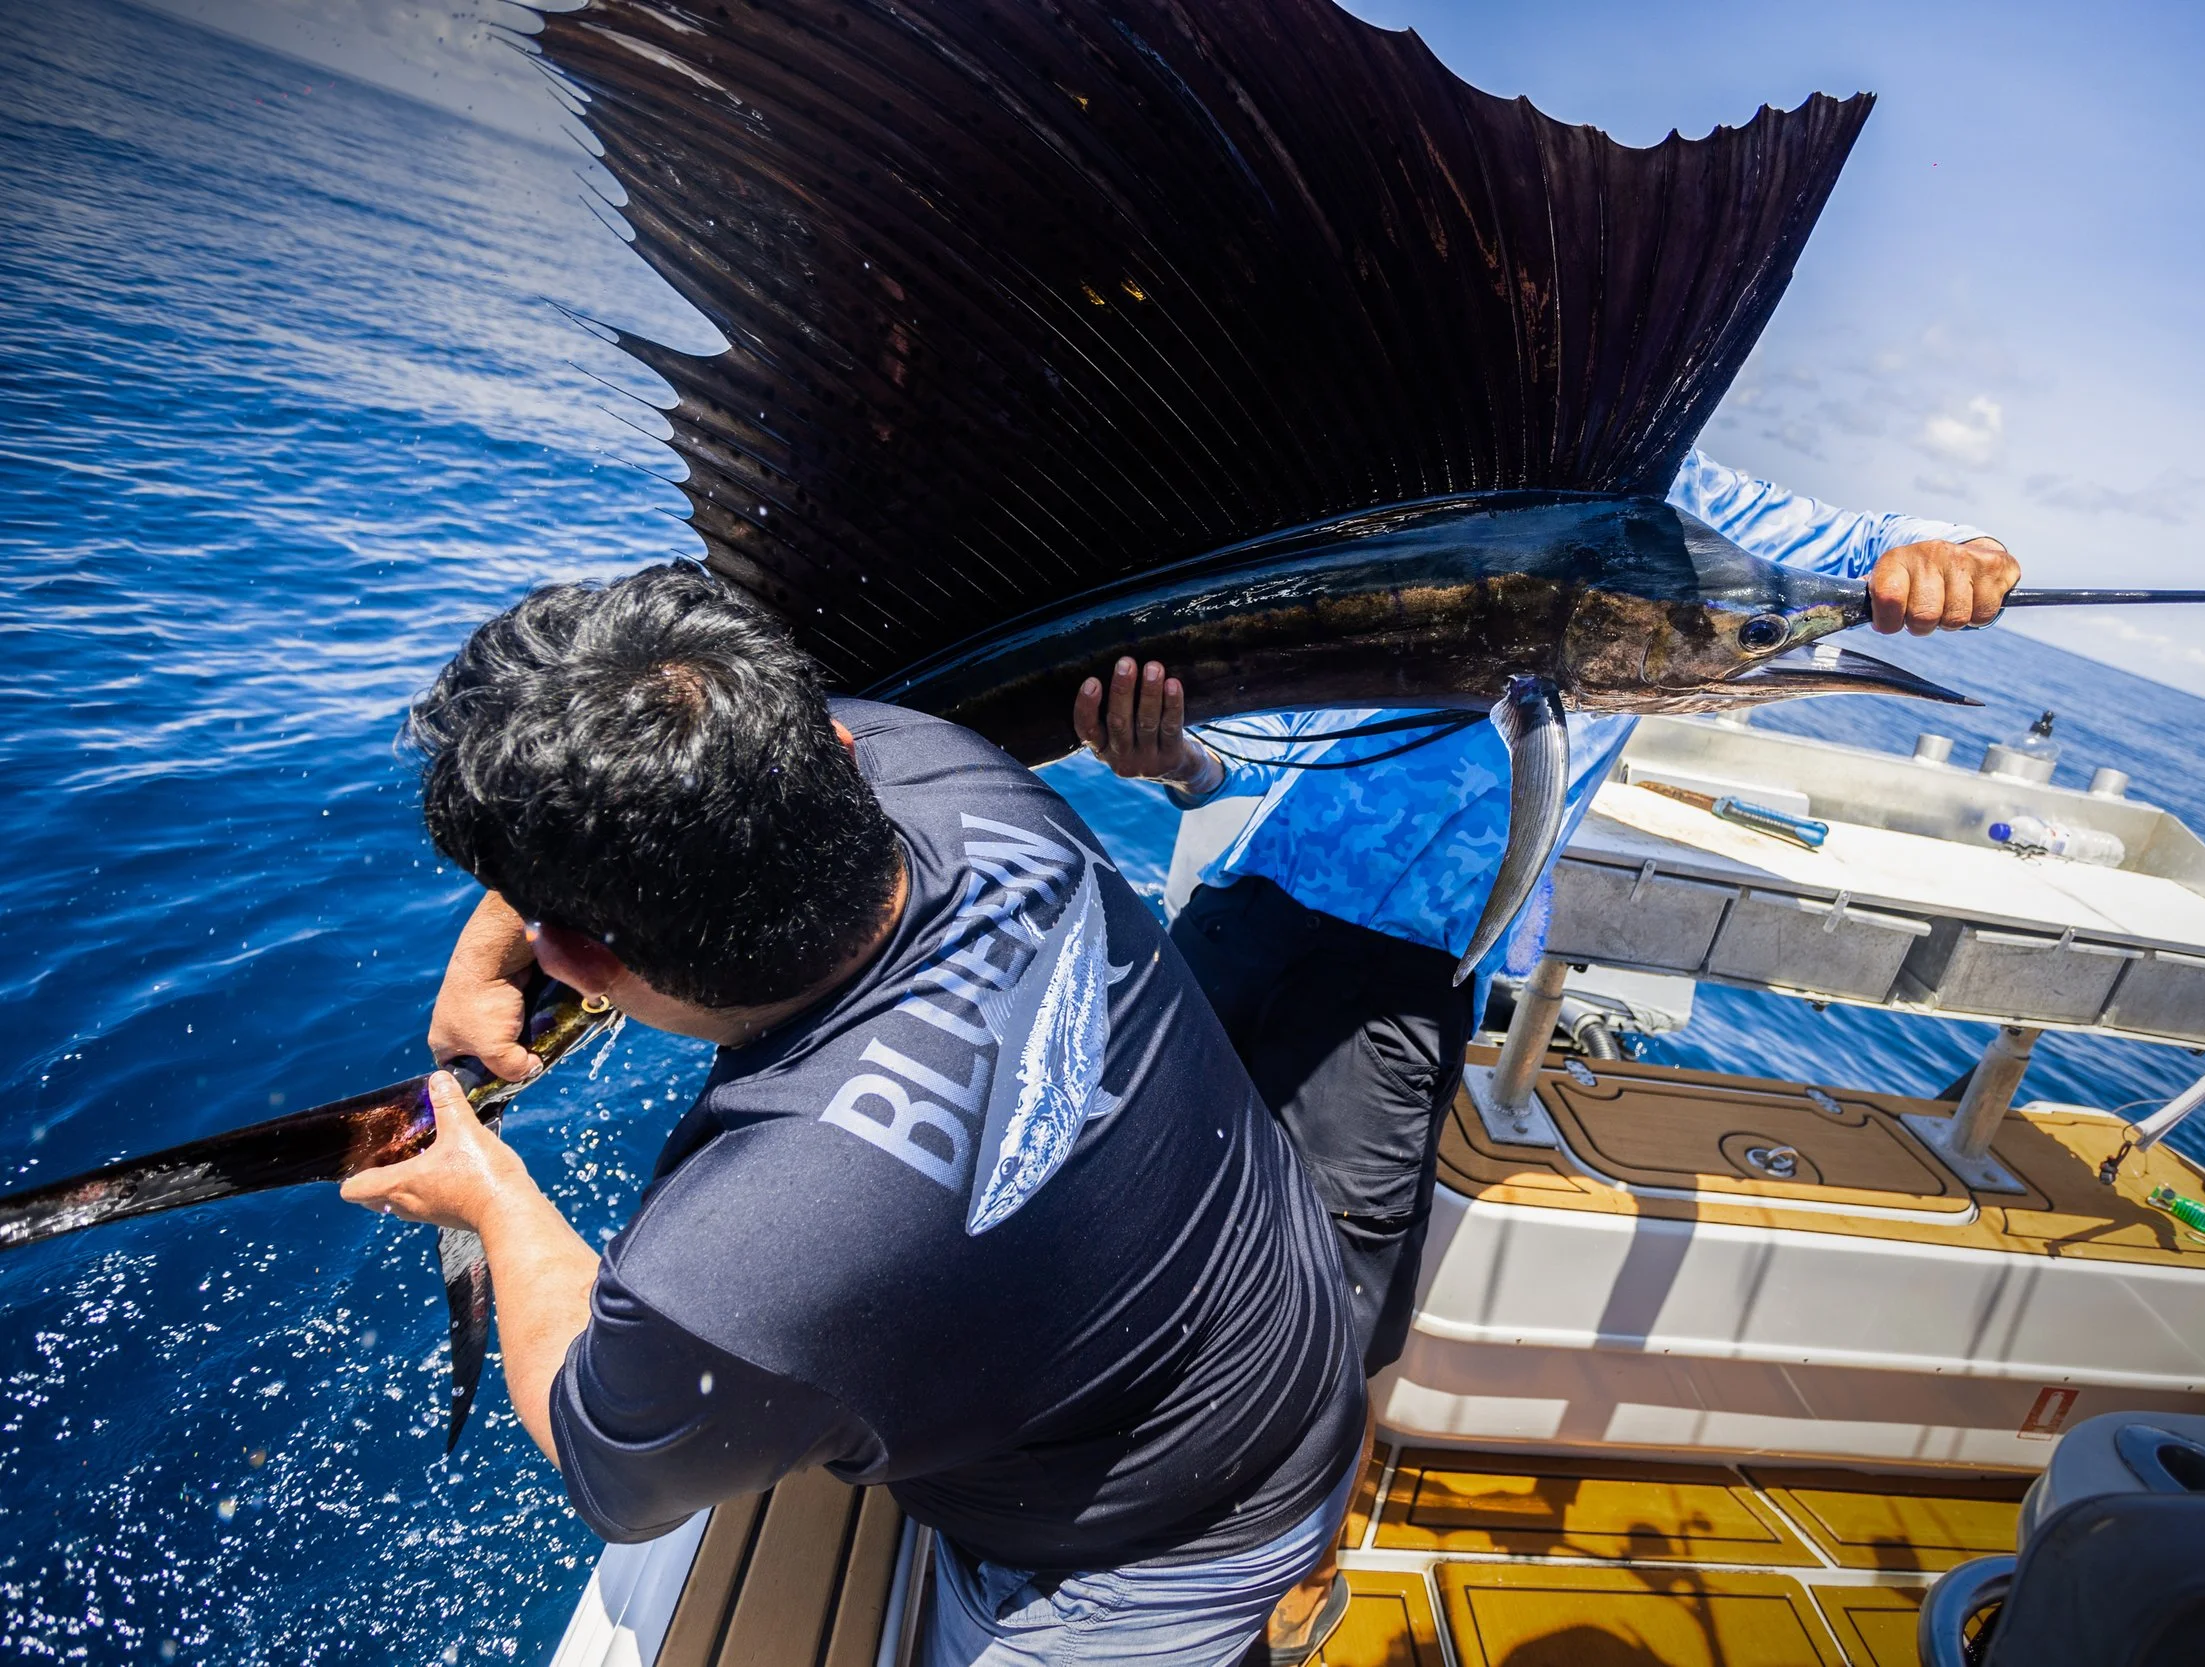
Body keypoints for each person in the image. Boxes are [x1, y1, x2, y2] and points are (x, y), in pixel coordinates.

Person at [1071, 449, 2020, 1660]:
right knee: (1135, 1197)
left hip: (1401, 969)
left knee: (1340, 1295)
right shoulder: (1392, 472)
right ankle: (1103, 1460)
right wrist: (1175, 761)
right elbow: (1253, 758)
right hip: (1243, 903)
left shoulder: (1660, 501)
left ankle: (1292, 1560)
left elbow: (1871, 544)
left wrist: (1959, 556)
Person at [355, 563, 1365, 1667]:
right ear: (834, 755)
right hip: (1296, 1347)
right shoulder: (949, 764)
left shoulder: (740, 1266)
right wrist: (500, 934)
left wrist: (488, 1195)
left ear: (585, 960)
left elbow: (609, 1468)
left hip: (1154, 1557)